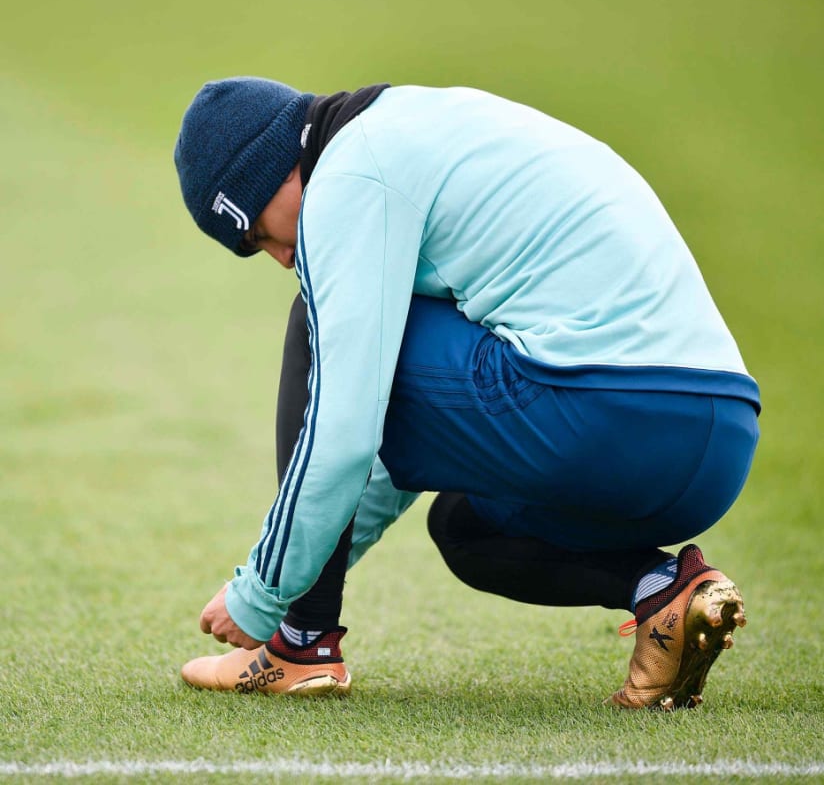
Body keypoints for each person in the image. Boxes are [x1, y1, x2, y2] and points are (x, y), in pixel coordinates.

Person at [173, 78, 759, 708]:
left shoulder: (350, 174)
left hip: (599, 413)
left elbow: (345, 432)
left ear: (264, 178)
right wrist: (305, 574)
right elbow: (416, 428)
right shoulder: (419, 124)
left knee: (310, 331)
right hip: (717, 440)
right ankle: (665, 591)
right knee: (464, 527)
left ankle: (301, 647)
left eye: (257, 234)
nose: (282, 257)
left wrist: (266, 592)